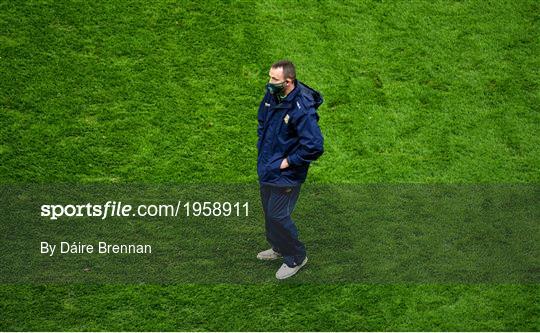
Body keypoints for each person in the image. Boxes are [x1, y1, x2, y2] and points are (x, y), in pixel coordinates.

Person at [256, 60, 324, 279]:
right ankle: (278, 247)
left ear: (288, 81)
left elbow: (314, 146)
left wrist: (287, 162)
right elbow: (262, 121)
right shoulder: (272, 95)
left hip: (286, 174)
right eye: (270, 77)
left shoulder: (302, 109)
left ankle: (296, 256)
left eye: (274, 79)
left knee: (277, 215)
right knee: (269, 212)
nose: (269, 82)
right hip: (268, 166)